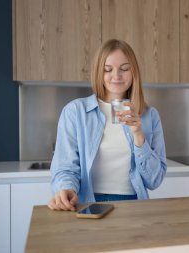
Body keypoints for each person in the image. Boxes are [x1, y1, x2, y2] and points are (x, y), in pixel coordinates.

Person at [48, 39, 167, 211]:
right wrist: (66, 189)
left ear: (134, 72)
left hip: (135, 206)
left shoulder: (150, 116)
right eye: (107, 69)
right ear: (99, 73)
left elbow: (154, 181)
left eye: (124, 68)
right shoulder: (75, 112)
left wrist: (138, 135)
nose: (116, 75)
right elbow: (65, 167)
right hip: (88, 205)